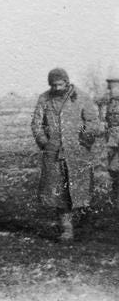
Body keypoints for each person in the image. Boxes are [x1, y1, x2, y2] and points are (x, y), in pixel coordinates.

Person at [31, 68, 99, 241]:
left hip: (78, 152)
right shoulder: (44, 98)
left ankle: (85, 224)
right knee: (59, 193)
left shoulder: (81, 97)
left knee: (81, 190)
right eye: (53, 85)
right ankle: (66, 229)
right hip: (54, 154)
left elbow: (91, 121)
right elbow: (36, 124)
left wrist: (83, 138)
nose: (56, 88)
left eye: (60, 84)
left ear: (67, 82)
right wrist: (45, 143)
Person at [100, 76, 119, 204]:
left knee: (114, 167)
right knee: (112, 168)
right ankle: (115, 194)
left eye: (113, 86)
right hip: (111, 138)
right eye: (110, 87)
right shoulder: (108, 102)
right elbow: (104, 120)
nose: (111, 90)